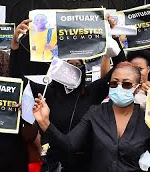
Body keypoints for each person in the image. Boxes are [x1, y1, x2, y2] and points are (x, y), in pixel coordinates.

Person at [10, 17, 128, 172]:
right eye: (68, 65)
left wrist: (112, 38)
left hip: (85, 165)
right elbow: (18, 81)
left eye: (77, 65)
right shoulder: (46, 92)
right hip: (53, 164)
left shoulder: (92, 92)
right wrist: (15, 45)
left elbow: (122, 69)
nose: (72, 70)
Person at [33, 62, 150, 172]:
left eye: (126, 84)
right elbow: (69, 146)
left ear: (137, 88)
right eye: (114, 83)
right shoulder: (95, 113)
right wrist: (45, 122)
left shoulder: (148, 119)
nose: (119, 87)